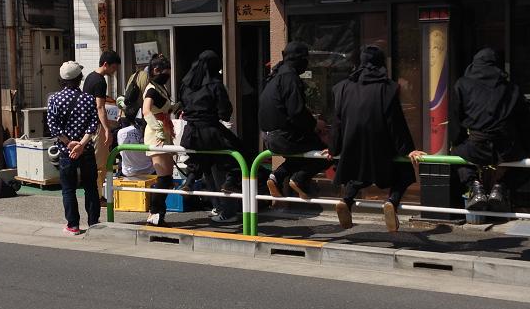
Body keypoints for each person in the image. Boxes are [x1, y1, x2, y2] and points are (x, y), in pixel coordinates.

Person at [328, 46, 425, 232]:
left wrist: (333, 148)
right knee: (404, 171)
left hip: (352, 144)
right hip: (381, 146)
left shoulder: (343, 87)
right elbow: (395, 122)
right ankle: (391, 202)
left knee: (359, 172)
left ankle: (346, 200)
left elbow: (337, 121)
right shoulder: (387, 88)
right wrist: (407, 149)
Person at [451, 48, 530, 211]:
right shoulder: (511, 88)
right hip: (506, 147)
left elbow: (456, 117)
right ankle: (501, 187)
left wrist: (458, 141)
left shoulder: (462, 84)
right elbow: (525, 120)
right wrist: (526, 145)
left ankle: (475, 187)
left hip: (476, 145)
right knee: (526, 167)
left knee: (455, 156)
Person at [258, 41, 330, 200]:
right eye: (306, 60)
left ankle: (276, 177)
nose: (307, 64)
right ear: (300, 60)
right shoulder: (290, 78)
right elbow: (296, 113)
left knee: (299, 154)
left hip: (268, 137)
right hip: (284, 137)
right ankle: (300, 179)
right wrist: (315, 124)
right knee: (327, 151)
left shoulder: (275, 77)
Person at [179, 50, 243, 223]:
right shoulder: (215, 84)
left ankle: (190, 181)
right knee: (238, 155)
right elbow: (225, 112)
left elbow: (183, 106)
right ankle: (229, 188)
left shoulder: (186, 83)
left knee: (202, 163)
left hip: (190, 134)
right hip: (211, 132)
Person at [47, 61, 100, 235]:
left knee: (68, 189)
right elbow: (93, 125)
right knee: (90, 187)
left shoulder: (54, 99)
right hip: (86, 149)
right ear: (79, 78)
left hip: (66, 151)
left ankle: (73, 225)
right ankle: (94, 223)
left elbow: (53, 126)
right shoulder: (88, 99)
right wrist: (81, 144)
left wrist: (69, 143)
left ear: (62, 79)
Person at [83, 51, 122, 205]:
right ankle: (98, 197)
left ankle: (95, 195)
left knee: (93, 161)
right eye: (113, 67)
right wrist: (107, 129)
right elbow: (100, 107)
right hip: (97, 126)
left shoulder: (90, 77)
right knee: (100, 163)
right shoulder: (100, 81)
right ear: (106, 64)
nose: (114, 71)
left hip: (87, 125)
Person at [142, 54, 176, 226]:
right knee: (164, 177)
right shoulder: (151, 89)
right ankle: (155, 214)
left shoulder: (160, 87)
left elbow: (165, 109)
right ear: (156, 70)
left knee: (167, 178)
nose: (168, 75)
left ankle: (157, 214)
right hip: (156, 134)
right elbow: (146, 111)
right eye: (166, 72)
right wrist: (158, 130)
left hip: (164, 131)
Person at [116, 113, 153, 178]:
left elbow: (119, 153)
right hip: (149, 171)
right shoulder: (150, 131)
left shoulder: (120, 132)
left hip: (128, 172)